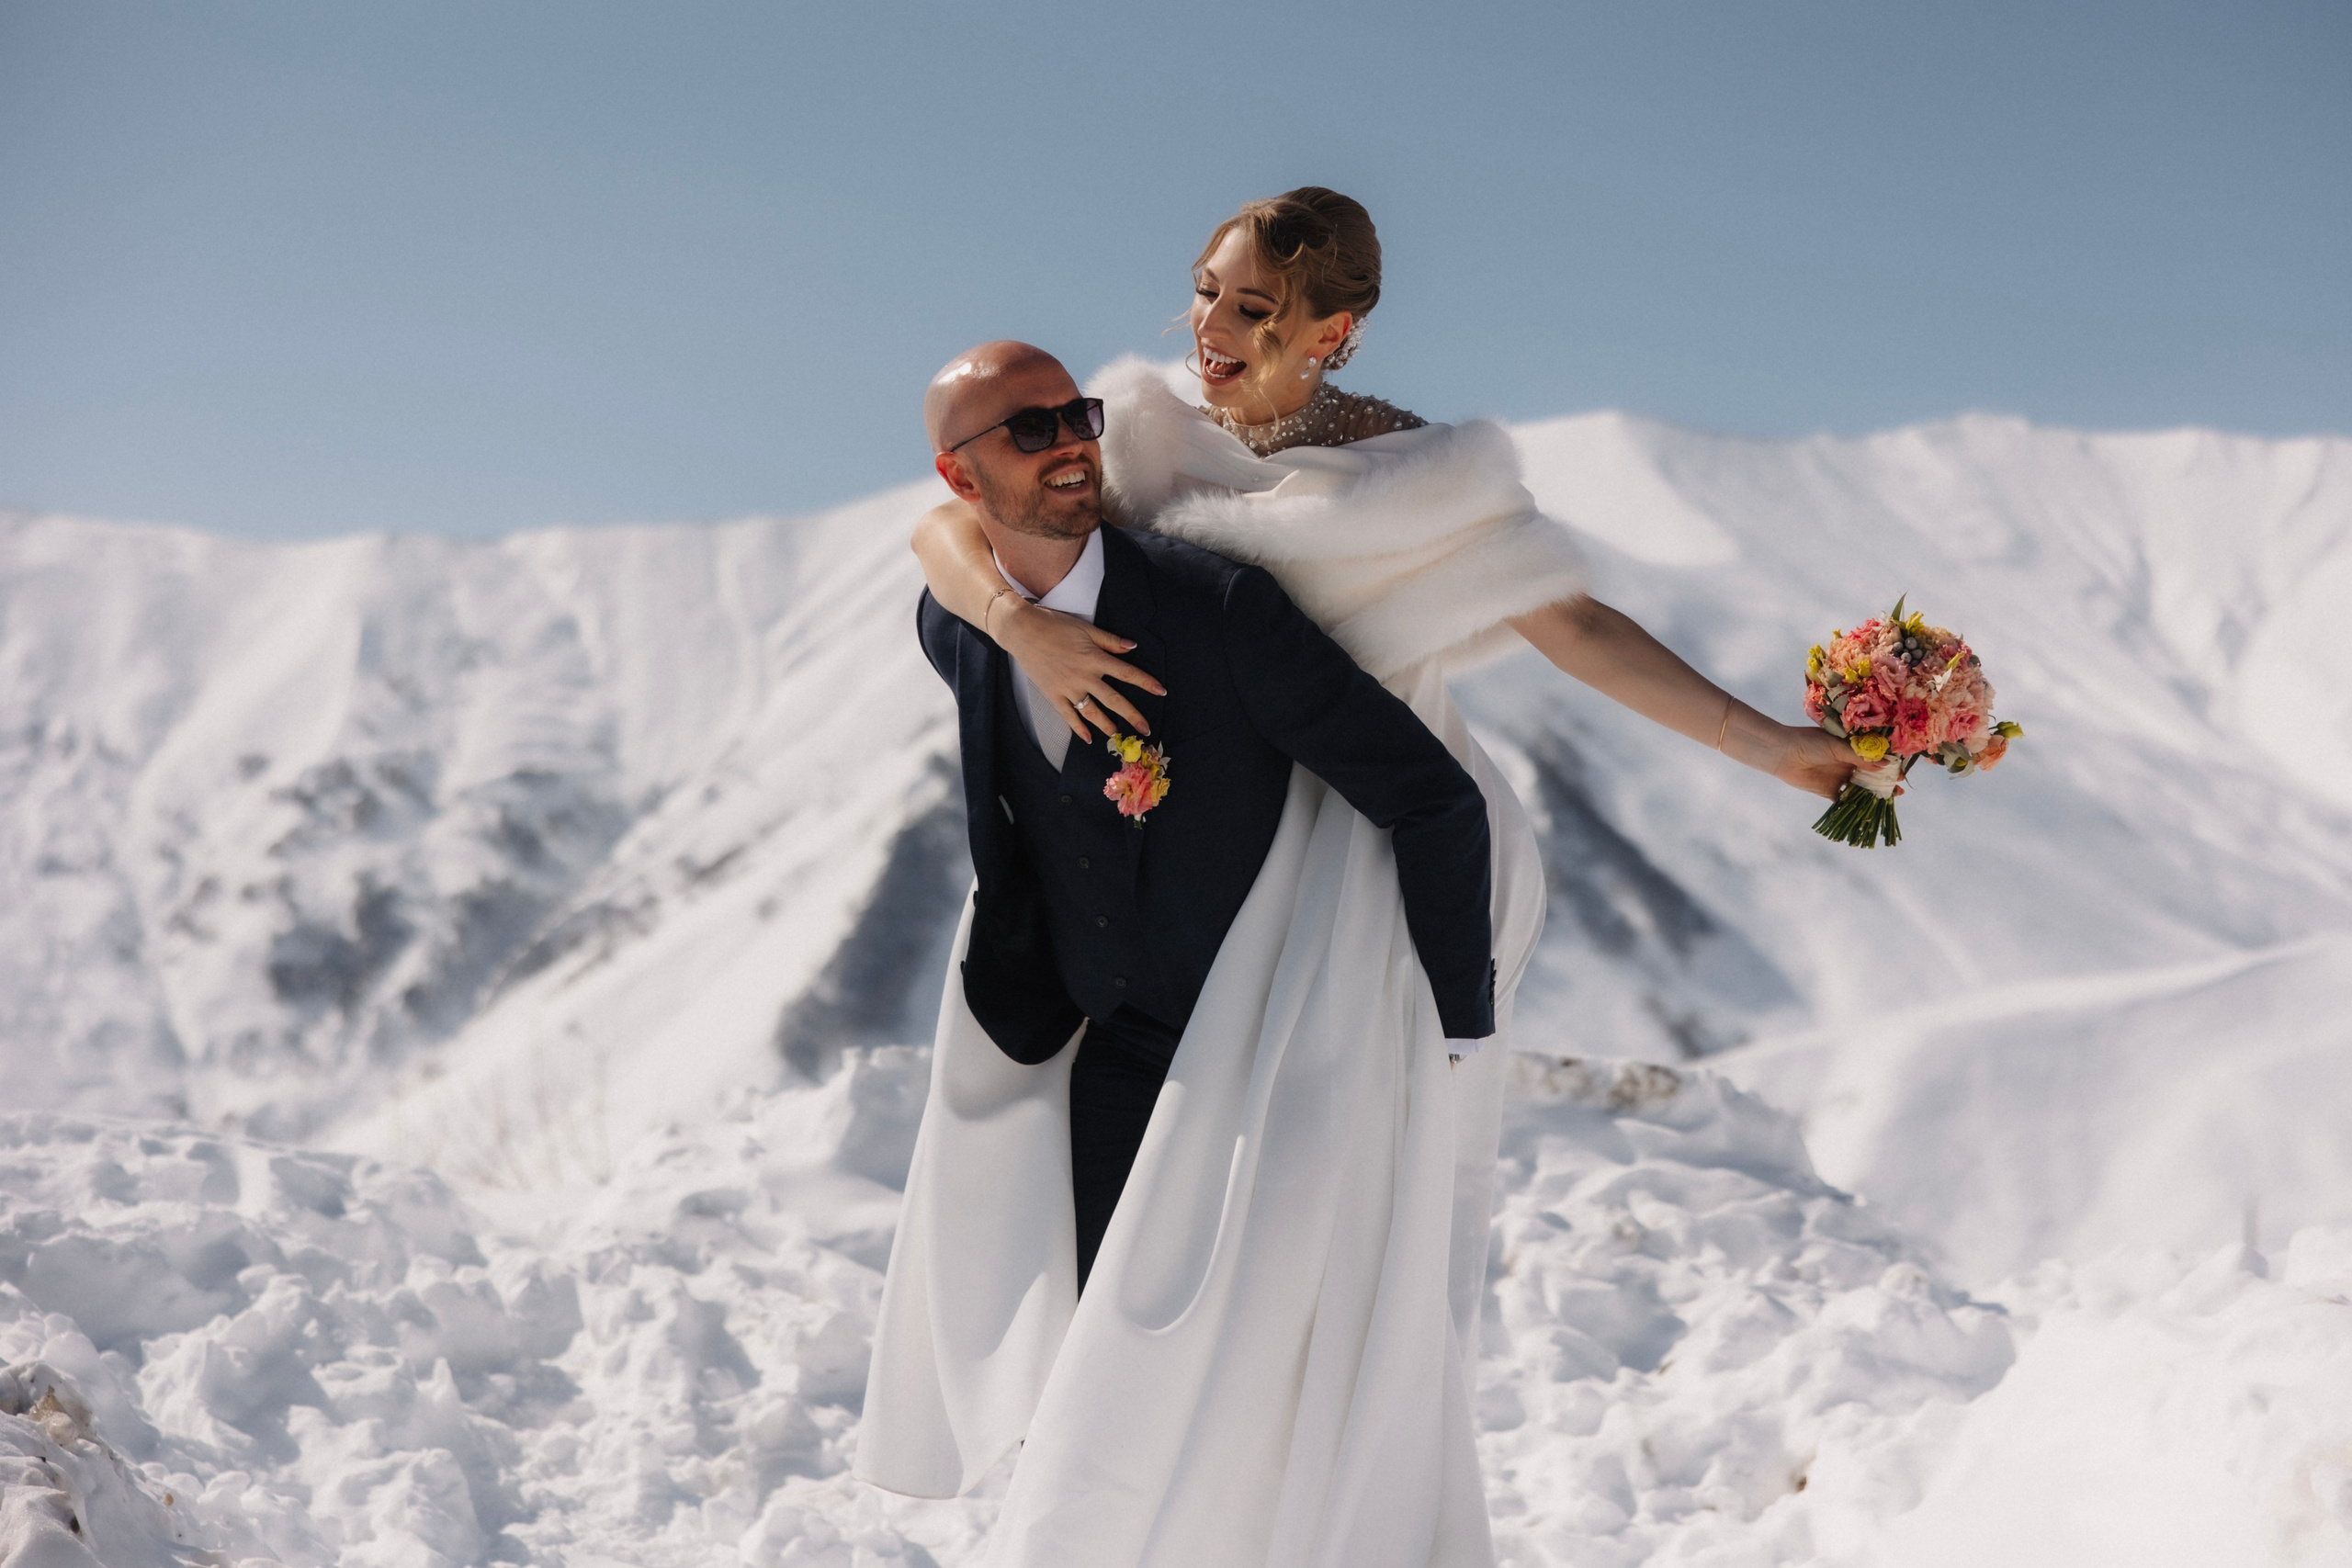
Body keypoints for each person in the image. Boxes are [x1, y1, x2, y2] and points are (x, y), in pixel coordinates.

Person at [862, 190, 1855, 1567]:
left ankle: (1310, 1512)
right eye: (1202, 292)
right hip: (1189, 872)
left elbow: (1573, 626)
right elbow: (949, 525)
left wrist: (1776, 749)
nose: (1209, 331)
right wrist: (1019, 626)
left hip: (1363, 865)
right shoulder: (1135, 432)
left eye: (1252, 310)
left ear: (1335, 332)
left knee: (1301, 1237)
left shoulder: (1420, 485)